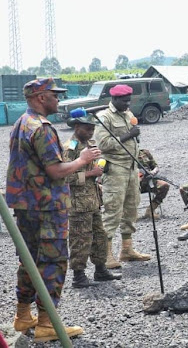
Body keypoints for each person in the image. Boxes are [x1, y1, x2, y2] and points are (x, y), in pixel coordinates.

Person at [8, 78, 97, 341]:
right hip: (47, 207)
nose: (59, 99)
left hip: (27, 206)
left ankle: (23, 315)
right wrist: (83, 160)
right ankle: (47, 323)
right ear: (40, 97)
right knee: (53, 262)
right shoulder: (42, 128)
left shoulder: (21, 123)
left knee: (30, 260)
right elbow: (56, 170)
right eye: (54, 95)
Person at [94, 84, 150, 269]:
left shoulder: (127, 114)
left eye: (129, 100)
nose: (128, 104)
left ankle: (126, 250)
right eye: (124, 101)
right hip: (115, 169)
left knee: (131, 208)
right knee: (113, 210)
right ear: (114, 99)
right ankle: (106, 254)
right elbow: (103, 144)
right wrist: (128, 135)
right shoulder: (104, 118)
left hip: (131, 168)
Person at [64, 116, 121, 288]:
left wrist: (99, 172)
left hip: (93, 200)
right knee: (80, 239)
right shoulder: (70, 148)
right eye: (86, 129)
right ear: (76, 127)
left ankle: (100, 269)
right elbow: (66, 177)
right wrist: (91, 173)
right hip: (77, 203)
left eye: (92, 129)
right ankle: (78, 276)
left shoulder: (90, 145)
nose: (90, 132)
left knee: (99, 236)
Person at [137, 149, 169, 220]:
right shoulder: (124, 155)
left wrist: (153, 172)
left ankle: (150, 210)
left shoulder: (144, 152)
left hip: (149, 181)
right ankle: (132, 214)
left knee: (164, 186)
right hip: (133, 183)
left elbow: (155, 166)